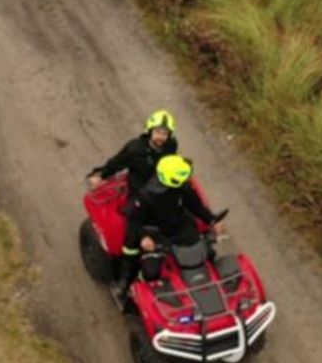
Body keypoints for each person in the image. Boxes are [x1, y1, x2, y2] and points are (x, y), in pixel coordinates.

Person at [113, 154, 226, 307]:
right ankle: (127, 289)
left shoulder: (182, 187)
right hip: (154, 234)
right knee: (150, 271)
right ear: (170, 178)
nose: (186, 179)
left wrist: (212, 221)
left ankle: (203, 292)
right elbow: (134, 220)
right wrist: (144, 237)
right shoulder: (145, 197)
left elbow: (196, 206)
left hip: (179, 227)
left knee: (206, 254)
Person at [88, 109, 179, 196]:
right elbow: (117, 162)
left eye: (165, 133)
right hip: (140, 190)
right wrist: (101, 175)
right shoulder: (136, 149)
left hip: (160, 185)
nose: (161, 137)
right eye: (157, 132)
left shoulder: (171, 146)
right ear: (150, 131)